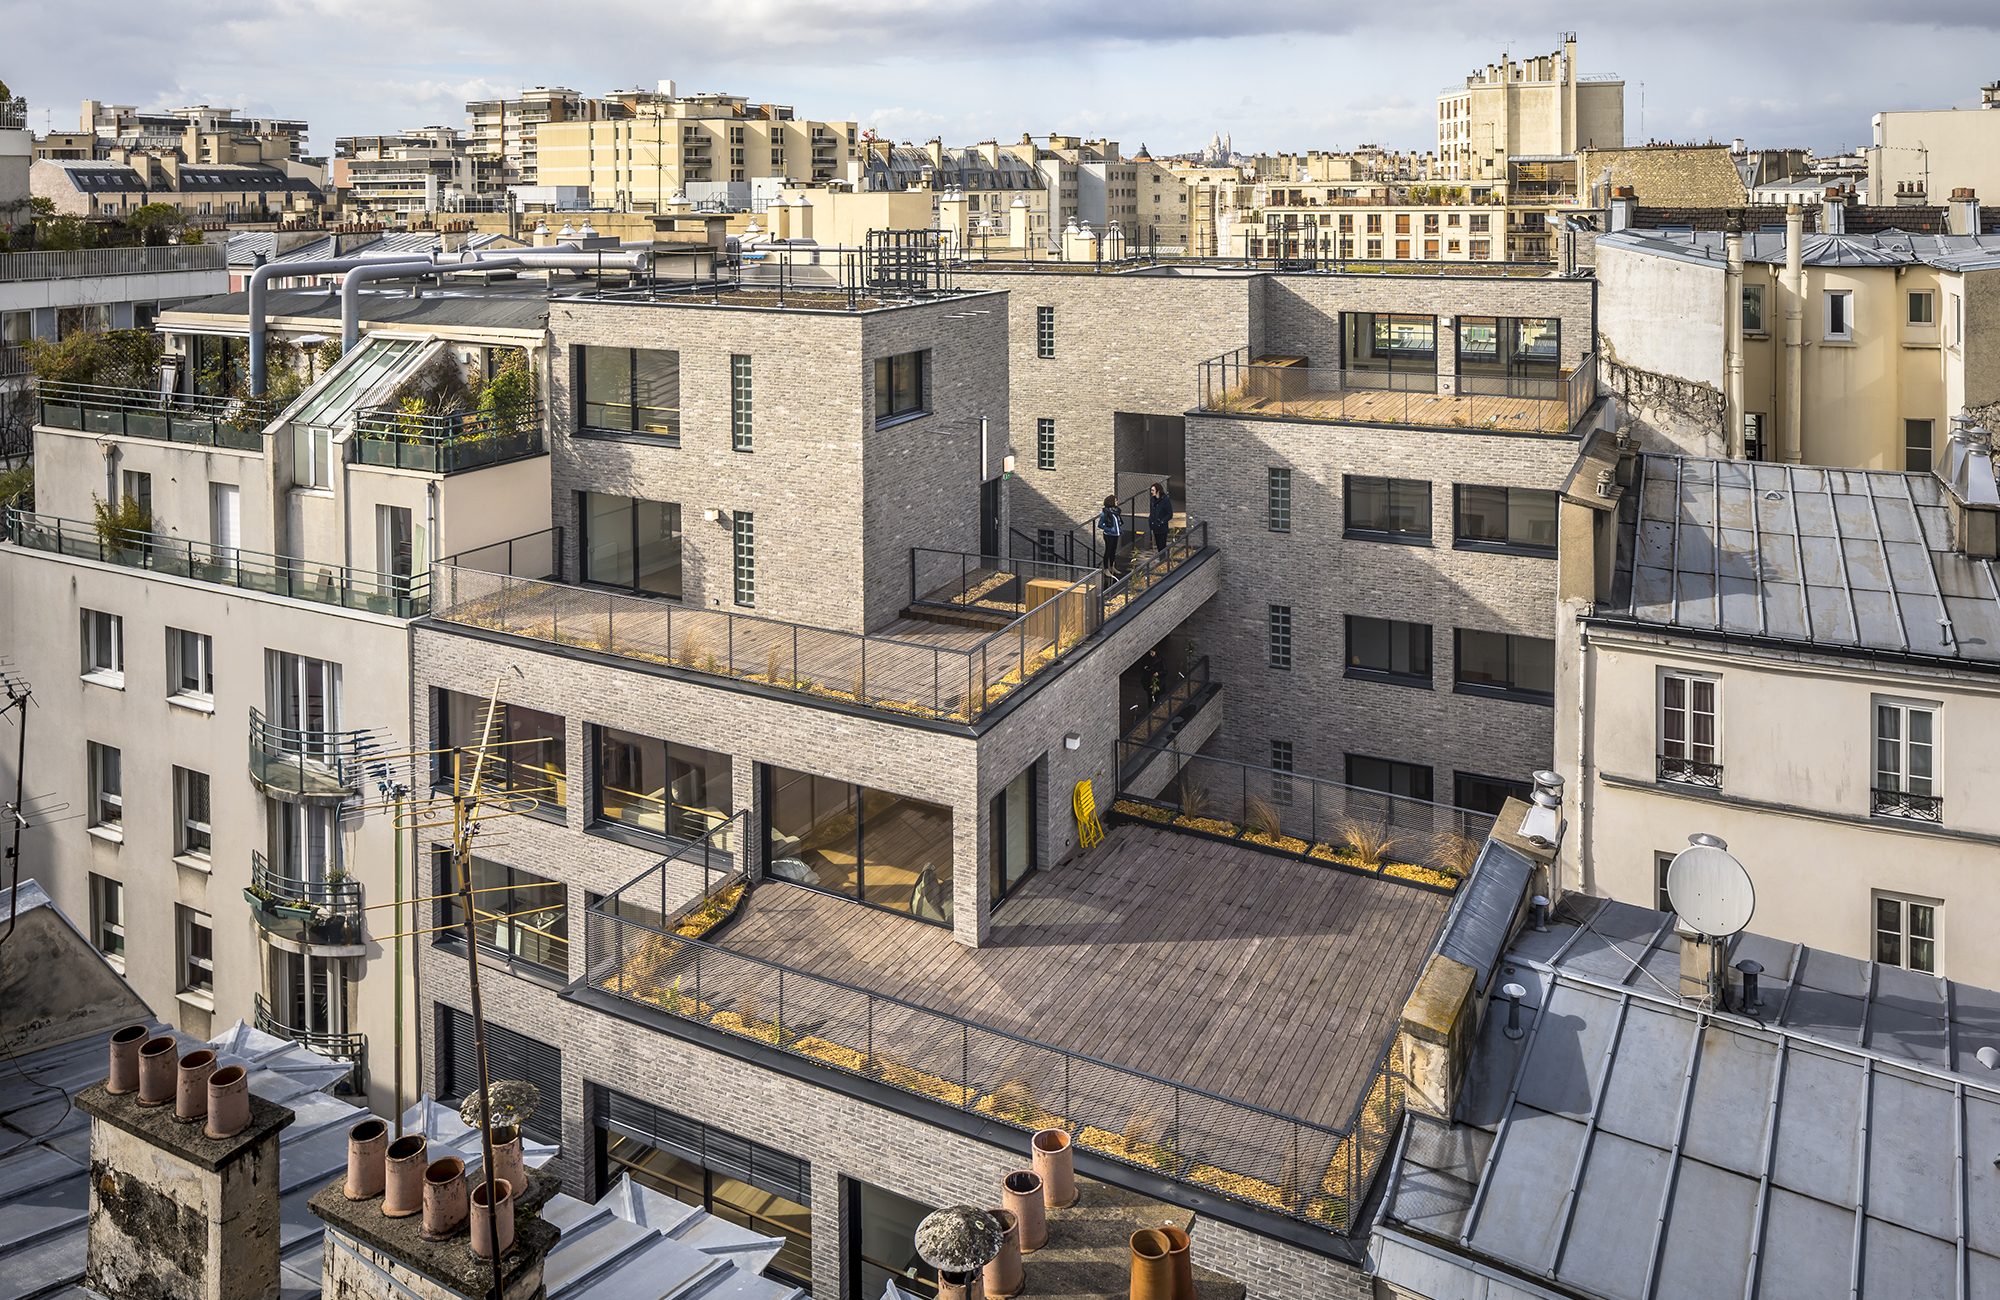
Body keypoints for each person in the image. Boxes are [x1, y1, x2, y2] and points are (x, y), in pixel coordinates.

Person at [1097, 494, 1125, 575]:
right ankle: (1106, 569)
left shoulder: (1116, 511)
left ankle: (1112, 567)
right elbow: (1100, 524)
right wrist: (1109, 529)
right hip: (1108, 535)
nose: (1117, 502)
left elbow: (1117, 523)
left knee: (1113, 551)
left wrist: (1119, 530)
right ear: (1111, 502)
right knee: (1108, 551)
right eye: (1116, 501)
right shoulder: (1105, 513)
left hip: (1116, 534)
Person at [1147, 483, 1173, 555]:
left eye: (1153, 490)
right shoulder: (1153, 499)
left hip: (1161, 528)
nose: (1151, 492)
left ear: (1158, 491)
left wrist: (1161, 522)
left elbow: (1169, 514)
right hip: (1154, 527)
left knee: (1162, 547)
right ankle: (1161, 560)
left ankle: (1163, 561)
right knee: (1158, 546)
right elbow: (1152, 511)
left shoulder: (1165, 500)